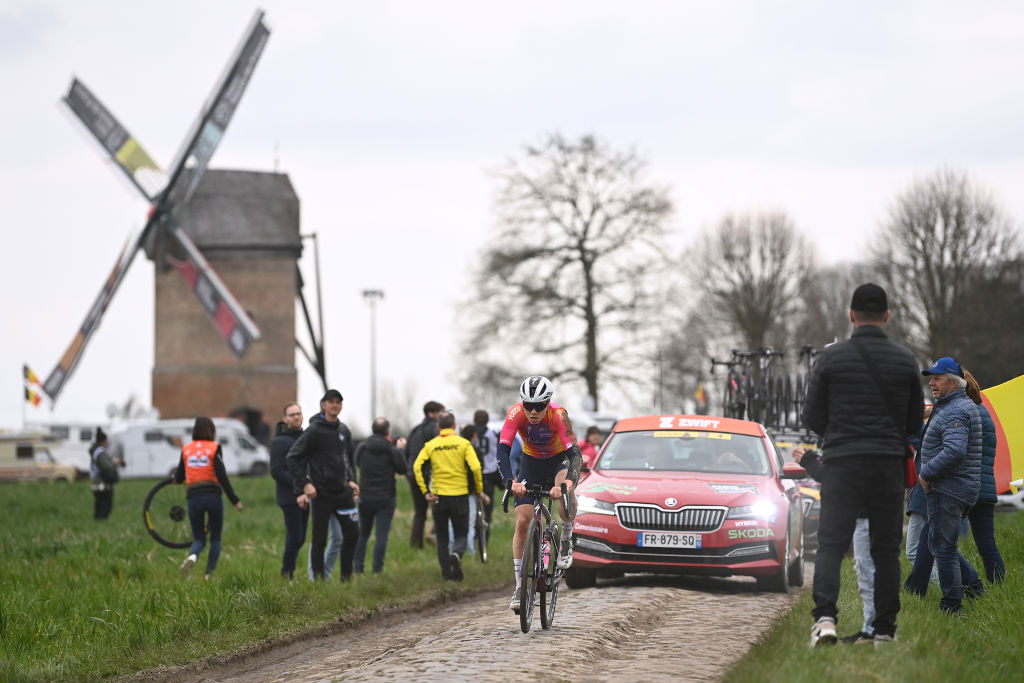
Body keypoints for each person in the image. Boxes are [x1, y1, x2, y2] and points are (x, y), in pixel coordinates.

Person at [802, 283, 924, 647]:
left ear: (851, 315)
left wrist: (840, 435)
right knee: (885, 548)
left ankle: (825, 619)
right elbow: (914, 423)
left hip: (842, 464)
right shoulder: (905, 361)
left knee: (830, 545)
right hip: (887, 466)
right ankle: (884, 629)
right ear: (886, 315)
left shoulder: (830, 359)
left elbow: (811, 415)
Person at [497, 376, 584, 612]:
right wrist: (510, 481)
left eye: (538, 406)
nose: (533, 411)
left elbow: (576, 455)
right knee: (523, 521)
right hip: (532, 463)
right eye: (528, 405)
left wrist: (566, 484)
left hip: (559, 461)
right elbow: (502, 451)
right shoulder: (515, 414)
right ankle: (519, 587)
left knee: (565, 494)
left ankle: (566, 539)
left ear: (548, 403)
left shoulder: (559, 416)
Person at [906, 358, 984, 614]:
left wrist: (925, 475)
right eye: (931, 378)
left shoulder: (956, 410)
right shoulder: (950, 406)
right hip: (951, 488)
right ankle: (974, 586)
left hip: (950, 489)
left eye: (937, 378)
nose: (931, 382)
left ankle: (951, 605)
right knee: (937, 543)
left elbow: (954, 450)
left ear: (952, 380)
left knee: (943, 548)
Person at [792, 446, 876, 645]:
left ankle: (826, 621)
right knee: (874, 560)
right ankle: (878, 629)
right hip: (881, 491)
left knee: (833, 552)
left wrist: (809, 460)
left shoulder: (842, 428)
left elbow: (832, 474)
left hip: (846, 496)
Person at [286, 389, 361, 581]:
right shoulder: (314, 431)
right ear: (324, 405)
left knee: (352, 534)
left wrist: (352, 479)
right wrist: (305, 484)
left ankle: (346, 579)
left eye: (338, 402)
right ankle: (318, 582)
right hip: (321, 494)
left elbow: (348, 459)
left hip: (343, 492)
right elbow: (293, 458)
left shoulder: (344, 430)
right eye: (331, 402)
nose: (335, 405)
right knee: (320, 539)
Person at [413, 411, 485, 580]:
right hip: (460, 495)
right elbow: (475, 468)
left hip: (438, 497)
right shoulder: (463, 444)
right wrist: (478, 488)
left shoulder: (430, 445)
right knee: (461, 533)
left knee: (442, 536)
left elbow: (417, 467)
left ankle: (447, 576)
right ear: (454, 426)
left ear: (438, 427)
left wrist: (426, 491)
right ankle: (457, 555)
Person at [174, 417, 244, 579]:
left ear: (194, 431)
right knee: (215, 538)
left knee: (199, 538)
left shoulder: (186, 449)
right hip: (213, 496)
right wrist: (235, 500)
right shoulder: (214, 448)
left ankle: (192, 556)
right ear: (212, 431)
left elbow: (178, 477)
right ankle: (208, 574)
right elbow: (221, 475)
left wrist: (176, 479)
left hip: (193, 496)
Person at [962, 368, 1006, 583]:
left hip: (967, 486)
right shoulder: (982, 411)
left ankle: (972, 584)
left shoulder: (968, 413)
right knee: (987, 545)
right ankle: (999, 587)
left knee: (939, 541)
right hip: (985, 486)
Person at [353, 418, 407, 574]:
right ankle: (377, 569)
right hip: (386, 498)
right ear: (387, 432)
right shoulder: (392, 450)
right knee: (381, 535)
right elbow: (402, 470)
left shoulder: (362, 447)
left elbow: (357, 463)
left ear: (372, 429)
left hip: (365, 497)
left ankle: (358, 568)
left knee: (362, 533)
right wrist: (401, 450)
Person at [270, 403, 308, 580]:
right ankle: (287, 573)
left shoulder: (307, 438)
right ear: (285, 419)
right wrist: (300, 484)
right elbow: (276, 471)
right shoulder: (279, 441)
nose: (296, 417)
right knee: (295, 536)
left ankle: (289, 572)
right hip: (288, 496)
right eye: (292, 415)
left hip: (307, 494)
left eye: (299, 414)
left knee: (301, 538)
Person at [405, 401, 444, 549]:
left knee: (419, 512)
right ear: (433, 413)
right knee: (441, 508)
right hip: (427, 475)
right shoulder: (435, 428)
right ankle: (437, 539)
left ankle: (416, 545)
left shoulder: (415, 430)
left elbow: (407, 452)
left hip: (412, 473)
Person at [473, 409, 503, 528]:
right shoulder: (494, 434)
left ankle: (475, 529)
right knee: (487, 509)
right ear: (487, 421)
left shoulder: (471, 434)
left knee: (474, 506)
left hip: (475, 473)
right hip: (490, 474)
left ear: (474, 420)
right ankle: (486, 530)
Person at [89, 428, 121, 520]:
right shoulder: (99, 452)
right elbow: (106, 466)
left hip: (96, 481)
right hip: (102, 482)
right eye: (106, 440)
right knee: (105, 503)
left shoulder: (95, 451)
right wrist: (114, 462)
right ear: (103, 441)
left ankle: (98, 520)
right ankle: (101, 520)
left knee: (99, 502)